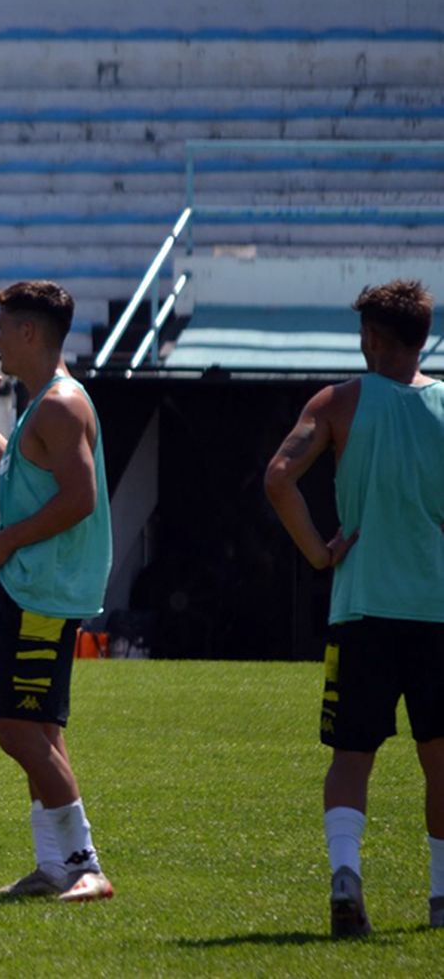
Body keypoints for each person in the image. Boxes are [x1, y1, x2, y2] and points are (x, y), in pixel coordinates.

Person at [264, 279, 444, 937]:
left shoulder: (340, 402)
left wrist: (318, 551)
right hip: (436, 608)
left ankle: (346, 877)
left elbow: (279, 475)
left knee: (351, 754)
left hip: (362, 608)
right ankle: (441, 896)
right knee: (441, 756)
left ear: (371, 336)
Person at [0, 280, 114, 902]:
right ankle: (54, 868)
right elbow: (30, 472)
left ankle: (85, 865)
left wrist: (6, 542)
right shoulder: (42, 403)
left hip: (44, 587)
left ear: (27, 332)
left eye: (1, 329)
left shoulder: (60, 404)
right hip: (31, 583)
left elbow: (79, 498)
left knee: (19, 732)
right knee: (39, 732)